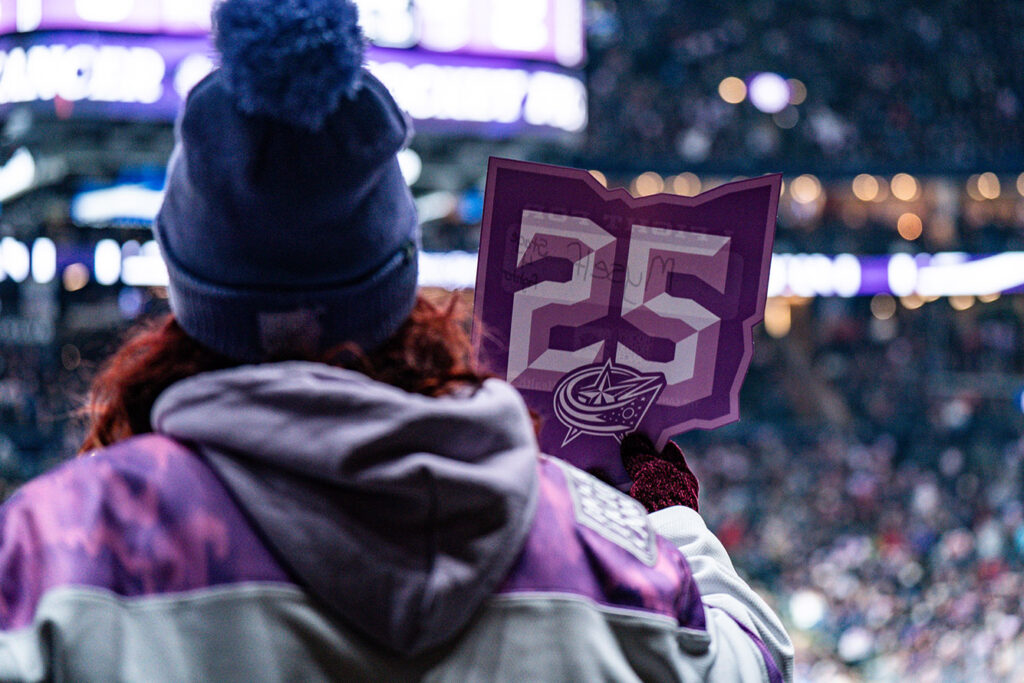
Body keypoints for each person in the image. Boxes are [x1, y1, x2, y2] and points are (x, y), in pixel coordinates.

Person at [0, 0, 793, 680]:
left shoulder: (56, 549)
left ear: (191, 290)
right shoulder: (601, 553)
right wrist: (668, 522)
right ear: (396, 281)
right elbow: (753, 661)